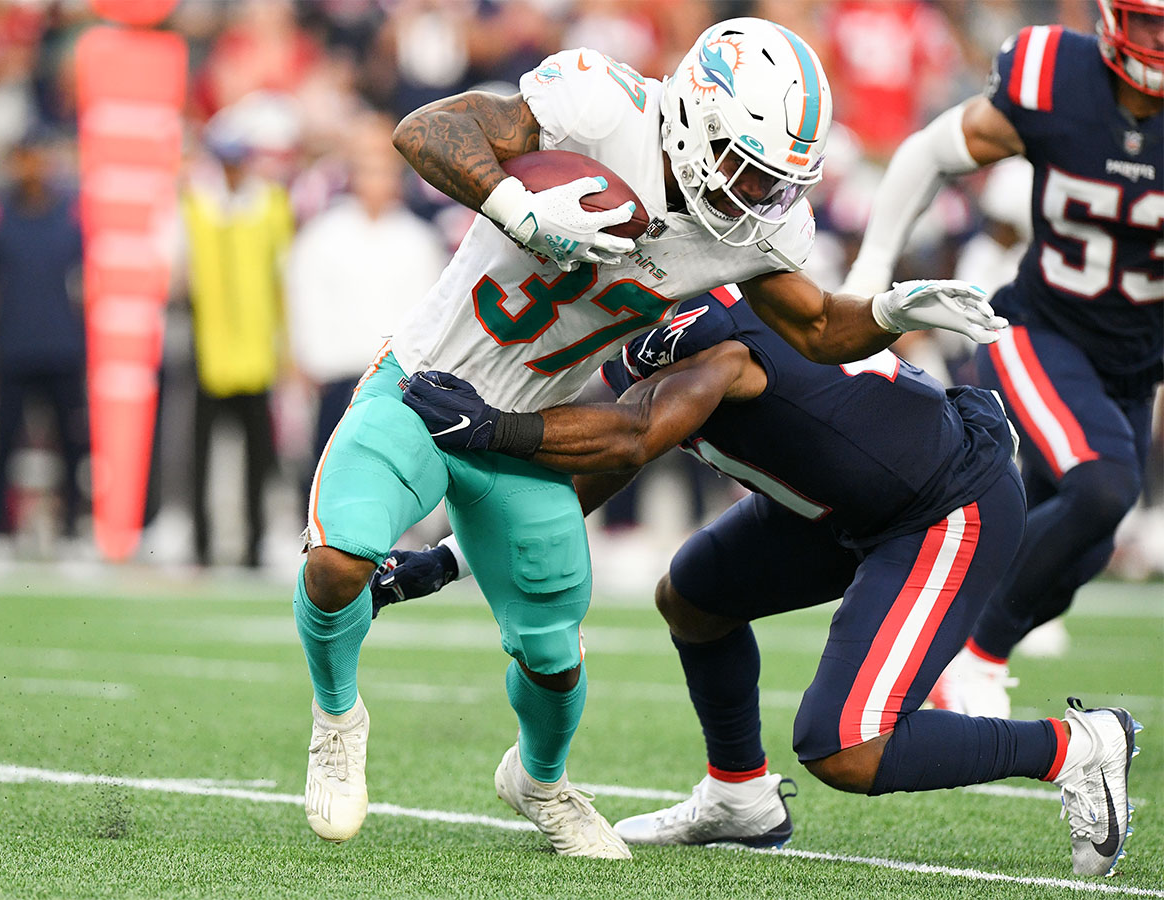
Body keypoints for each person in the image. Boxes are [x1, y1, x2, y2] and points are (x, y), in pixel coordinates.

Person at [296, 17, 1006, 859]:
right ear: (698, 120)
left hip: (528, 429)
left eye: (775, 183)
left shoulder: (750, 235)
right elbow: (426, 129)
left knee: (556, 660)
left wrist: (886, 312)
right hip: (426, 377)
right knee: (341, 558)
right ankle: (337, 717)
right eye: (748, 170)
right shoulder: (601, 108)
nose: (757, 198)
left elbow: (815, 328)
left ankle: (544, 784)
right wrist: (522, 213)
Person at [392, 289, 1141, 877]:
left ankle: (1074, 746)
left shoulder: (715, 326)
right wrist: (451, 559)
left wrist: (494, 427)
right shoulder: (657, 318)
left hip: (943, 502)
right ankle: (740, 795)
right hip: (847, 501)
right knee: (694, 597)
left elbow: (634, 433)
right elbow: (610, 461)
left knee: (845, 747)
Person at [840, 0, 1163, 718]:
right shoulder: (1058, 79)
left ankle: (941, 616)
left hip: (1139, 358)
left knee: (1082, 543)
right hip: (1044, 329)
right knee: (1104, 486)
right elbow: (930, 151)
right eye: (1152, 22)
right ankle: (971, 658)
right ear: (1112, 19)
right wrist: (871, 271)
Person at [286, 111, 447, 490]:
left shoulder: (418, 240)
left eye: (383, 171)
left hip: (396, 378)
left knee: (387, 473)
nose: (376, 180)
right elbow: (306, 298)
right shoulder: (323, 235)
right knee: (327, 470)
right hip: (338, 373)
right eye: (367, 170)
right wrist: (308, 357)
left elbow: (429, 310)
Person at [0, 130, 87, 545]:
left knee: (72, 444)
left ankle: (72, 526)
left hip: (62, 346)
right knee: (4, 442)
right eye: (24, 157)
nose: (31, 166)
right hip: (12, 346)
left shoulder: (70, 213)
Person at [180, 116, 293, 568]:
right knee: (200, 454)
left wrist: (286, 343)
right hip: (208, 349)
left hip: (256, 351)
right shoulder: (195, 204)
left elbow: (284, 277)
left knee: (258, 457)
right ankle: (200, 544)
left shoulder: (269, 205)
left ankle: (255, 543)